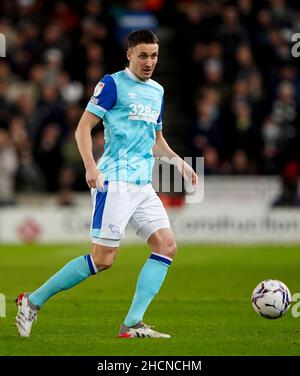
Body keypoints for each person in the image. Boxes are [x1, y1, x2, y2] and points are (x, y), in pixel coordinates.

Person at [15, 29, 198, 338]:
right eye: (143, 55)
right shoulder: (112, 84)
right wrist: (90, 166)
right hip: (114, 181)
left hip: (142, 185)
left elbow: (156, 139)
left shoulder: (157, 91)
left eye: (153, 55)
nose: (149, 61)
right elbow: (83, 128)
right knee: (103, 260)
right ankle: (32, 301)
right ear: (129, 55)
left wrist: (178, 161)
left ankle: (132, 324)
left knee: (166, 246)